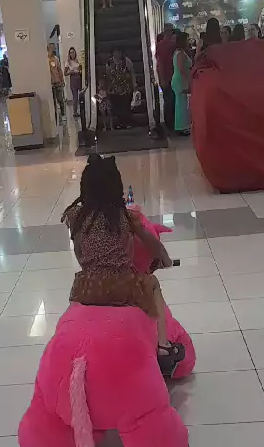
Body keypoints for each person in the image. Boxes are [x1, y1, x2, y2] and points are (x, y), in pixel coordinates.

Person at [61, 154, 179, 367]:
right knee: (153, 284)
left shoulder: (75, 216)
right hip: (123, 287)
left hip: (87, 287)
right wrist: (166, 260)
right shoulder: (124, 216)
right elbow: (153, 245)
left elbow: (79, 252)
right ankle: (163, 346)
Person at [106, 48, 135, 129]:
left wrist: (134, 84)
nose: (117, 54)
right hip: (114, 89)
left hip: (125, 88)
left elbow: (132, 72)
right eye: (115, 52)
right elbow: (108, 75)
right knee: (117, 106)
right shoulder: (109, 62)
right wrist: (108, 88)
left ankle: (127, 123)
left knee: (126, 105)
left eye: (119, 52)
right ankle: (119, 123)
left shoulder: (126, 61)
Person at [156, 23, 177, 130]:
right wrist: (162, 79)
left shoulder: (172, 44)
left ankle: (172, 122)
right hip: (167, 76)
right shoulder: (163, 45)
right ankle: (170, 123)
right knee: (169, 100)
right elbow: (160, 63)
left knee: (171, 100)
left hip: (172, 76)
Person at [171, 32, 192, 136]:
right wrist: (188, 79)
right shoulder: (181, 54)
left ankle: (182, 126)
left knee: (181, 103)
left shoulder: (178, 52)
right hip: (180, 80)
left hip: (179, 79)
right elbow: (181, 68)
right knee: (182, 104)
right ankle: (181, 127)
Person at [48, 43, 66, 123]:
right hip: (50, 84)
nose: (54, 49)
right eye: (53, 48)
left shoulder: (56, 59)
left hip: (57, 82)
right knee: (53, 102)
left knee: (60, 99)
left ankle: (63, 114)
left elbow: (59, 70)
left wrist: (62, 80)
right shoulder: (46, 59)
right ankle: (55, 117)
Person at [64, 47, 82, 117]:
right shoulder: (68, 62)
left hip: (79, 78)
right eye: (71, 52)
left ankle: (82, 110)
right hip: (73, 79)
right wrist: (70, 72)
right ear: (69, 54)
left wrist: (80, 70)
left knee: (82, 95)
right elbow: (65, 73)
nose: (72, 54)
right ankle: (75, 112)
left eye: (73, 52)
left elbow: (81, 69)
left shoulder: (78, 60)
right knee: (75, 97)